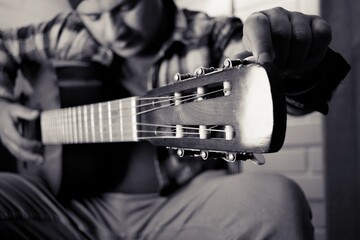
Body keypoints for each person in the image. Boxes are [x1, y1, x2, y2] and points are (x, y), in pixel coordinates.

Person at [0, 0, 350, 239]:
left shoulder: (211, 33)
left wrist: (296, 70)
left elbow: (270, 83)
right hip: (71, 207)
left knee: (277, 201)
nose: (112, 29)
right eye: (94, 16)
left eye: (126, 6)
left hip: (184, 201)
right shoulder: (63, 32)